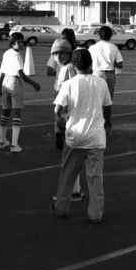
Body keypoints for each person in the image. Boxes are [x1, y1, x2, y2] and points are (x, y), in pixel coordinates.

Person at [50, 49, 112, 223]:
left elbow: (58, 110)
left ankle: (61, 207)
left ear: (74, 65)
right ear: (91, 64)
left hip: (75, 136)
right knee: (95, 178)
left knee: (68, 175)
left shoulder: (69, 84)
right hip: (96, 136)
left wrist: (63, 118)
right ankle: (96, 214)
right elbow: (107, 106)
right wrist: (107, 121)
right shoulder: (101, 83)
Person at [47, 37, 84, 202]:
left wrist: (61, 116)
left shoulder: (67, 69)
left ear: (69, 53)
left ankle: (70, 193)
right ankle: (75, 189)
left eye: (61, 53)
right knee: (73, 156)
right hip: (71, 115)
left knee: (70, 157)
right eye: (55, 54)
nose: (58, 57)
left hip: (68, 116)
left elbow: (65, 93)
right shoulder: (69, 67)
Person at [0, 32, 41, 153]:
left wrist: (0, 86)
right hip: (15, 82)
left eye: (22, 42)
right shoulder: (17, 55)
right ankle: (14, 145)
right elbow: (21, 74)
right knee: (16, 113)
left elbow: (1, 72)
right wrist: (34, 83)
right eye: (19, 42)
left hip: (5, 82)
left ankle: (2, 140)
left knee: (5, 111)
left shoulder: (6, 53)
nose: (21, 44)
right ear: (13, 43)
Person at [89, 26, 124, 99]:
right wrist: (112, 62)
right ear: (111, 36)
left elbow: (88, 62)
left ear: (99, 35)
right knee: (108, 99)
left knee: (97, 98)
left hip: (96, 73)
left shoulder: (92, 47)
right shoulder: (114, 47)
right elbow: (120, 64)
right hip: (109, 74)